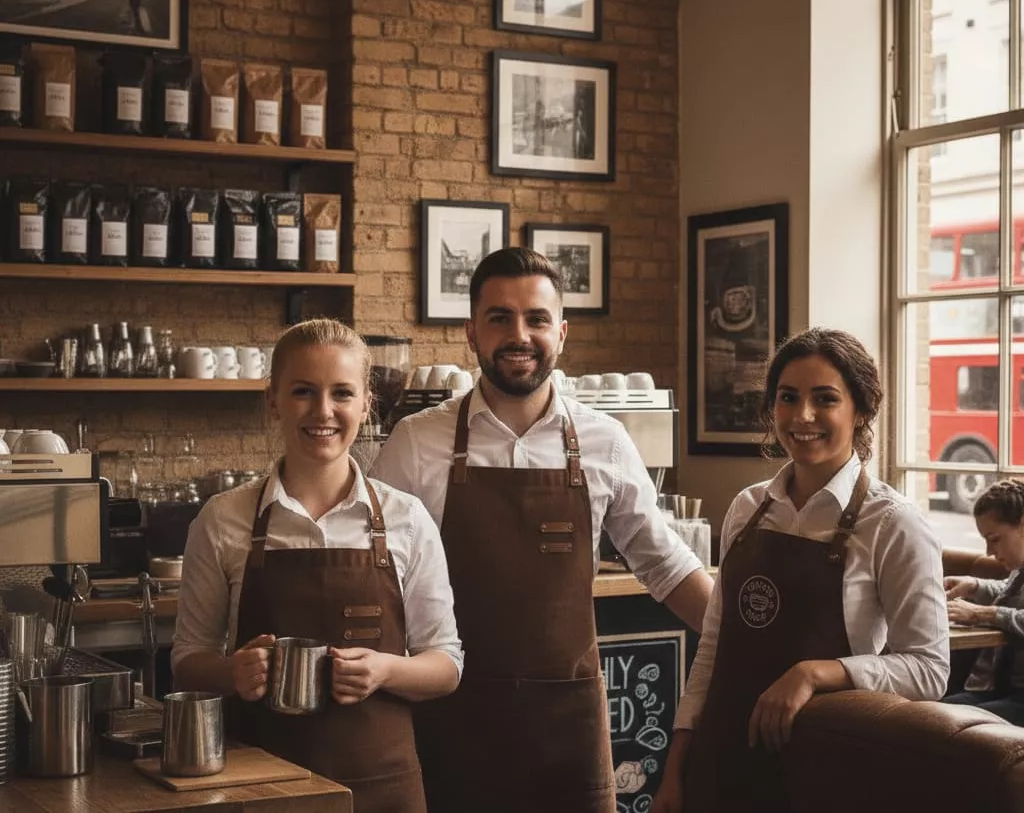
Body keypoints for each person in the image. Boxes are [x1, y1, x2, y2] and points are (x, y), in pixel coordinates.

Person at [371, 247, 714, 813]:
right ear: (471, 332)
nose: (519, 334)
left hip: (568, 728)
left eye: (535, 318)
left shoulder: (604, 440)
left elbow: (665, 565)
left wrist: (744, 648)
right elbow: (379, 577)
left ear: (562, 332)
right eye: (499, 317)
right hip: (452, 718)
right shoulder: (417, 441)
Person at [653, 327, 950, 813]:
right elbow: (712, 648)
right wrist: (677, 766)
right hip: (720, 765)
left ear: (862, 411)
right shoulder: (748, 508)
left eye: (825, 399)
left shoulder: (893, 523)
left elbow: (929, 670)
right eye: (788, 398)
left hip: (824, 771)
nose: (803, 416)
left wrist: (816, 673)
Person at [171, 319, 462, 813]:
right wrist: (231, 672)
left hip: (383, 786)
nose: (323, 411)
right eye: (303, 391)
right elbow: (187, 661)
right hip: (260, 786)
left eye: (342, 393)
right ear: (273, 400)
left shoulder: (406, 519)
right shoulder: (222, 520)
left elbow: (446, 665)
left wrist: (384, 670)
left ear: (366, 403)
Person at [943, 479, 1024, 725]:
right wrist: (975, 585)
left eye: (995, 538)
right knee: (923, 714)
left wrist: (982, 614)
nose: (988, 551)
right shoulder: (1019, 570)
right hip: (996, 689)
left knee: (936, 720)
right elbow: (1014, 593)